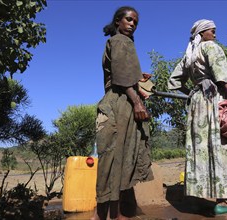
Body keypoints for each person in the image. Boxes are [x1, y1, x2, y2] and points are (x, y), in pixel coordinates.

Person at [168, 19, 227, 215]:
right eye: (213, 31)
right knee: (222, 145)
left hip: (197, 103)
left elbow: (173, 81)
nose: (215, 35)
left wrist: (193, 90)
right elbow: (222, 75)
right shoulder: (210, 47)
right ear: (202, 33)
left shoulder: (189, 55)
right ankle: (222, 201)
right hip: (214, 99)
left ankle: (200, 196)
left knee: (201, 147)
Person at [94, 6, 153, 220]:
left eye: (135, 22)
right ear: (118, 21)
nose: (132, 24)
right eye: (129, 20)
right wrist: (137, 102)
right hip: (119, 104)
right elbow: (120, 76)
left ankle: (114, 214)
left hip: (119, 102)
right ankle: (102, 215)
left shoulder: (121, 42)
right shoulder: (120, 41)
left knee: (117, 159)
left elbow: (123, 73)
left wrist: (138, 79)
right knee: (112, 159)